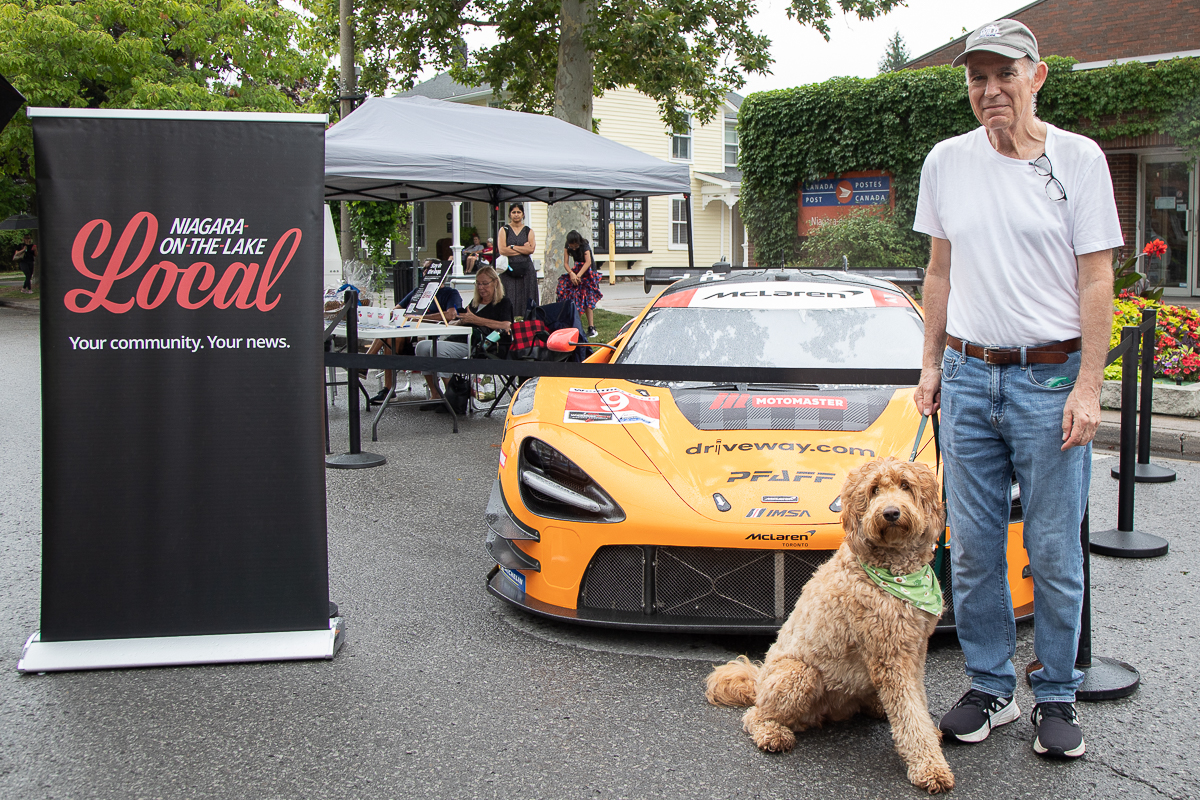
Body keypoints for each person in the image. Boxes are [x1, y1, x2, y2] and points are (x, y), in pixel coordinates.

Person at [912, 19, 1122, 761]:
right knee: (972, 550)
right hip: (968, 378)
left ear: (1037, 76)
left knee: (1054, 550)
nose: (991, 89)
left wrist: (1089, 386)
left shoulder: (1080, 159)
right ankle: (990, 687)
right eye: (978, 77)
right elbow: (939, 270)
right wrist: (930, 364)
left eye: (1006, 74)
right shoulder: (946, 161)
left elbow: (1096, 277)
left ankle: (1056, 694)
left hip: (1049, 379)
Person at [414, 266, 512, 411]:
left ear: (495, 282)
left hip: (480, 344)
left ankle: (451, 397)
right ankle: (435, 394)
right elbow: (463, 317)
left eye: (485, 283)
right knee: (422, 347)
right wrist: (458, 321)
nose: (481, 287)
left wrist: (476, 320)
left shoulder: (503, 302)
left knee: (438, 349)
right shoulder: (475, 303)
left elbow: (506, 326)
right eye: (478, 283)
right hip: (460, 338)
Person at [367, 283, 462, 404]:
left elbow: (451, 315)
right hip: (410, 336)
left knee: (391, 337)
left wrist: (420, 317)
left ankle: (365, 363)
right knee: (390, 335)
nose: (426, 273)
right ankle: (387, 388)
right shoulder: (419, 291)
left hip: (432, 337)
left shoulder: (450, 293)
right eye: (425, 271)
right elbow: (396, 310)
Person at [555, 230, 603, 338]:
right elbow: (566, 263)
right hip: (576, 271)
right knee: (576, 297)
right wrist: (571, 273)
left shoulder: (584, 245)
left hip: (587, 272)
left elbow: (588, 262)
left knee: (587, 298)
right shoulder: (567, 245)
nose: (573, 248)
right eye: (571, 246)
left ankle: (591, 327)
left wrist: (578, 275)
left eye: (575, 246)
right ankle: (577, 326)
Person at [498, 204, 537, 318]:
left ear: (523, 214)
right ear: (510, 214)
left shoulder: (528, 231)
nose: (516, 215)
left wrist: (512, 246)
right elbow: (502, 250)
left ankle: (527, 320)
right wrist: (523, 249)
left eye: (519, 212)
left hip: (526, 269)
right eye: (514, 212)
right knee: (509, 294)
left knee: (527, 294)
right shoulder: (504, 230)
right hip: (509, 269)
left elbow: (531, 250)